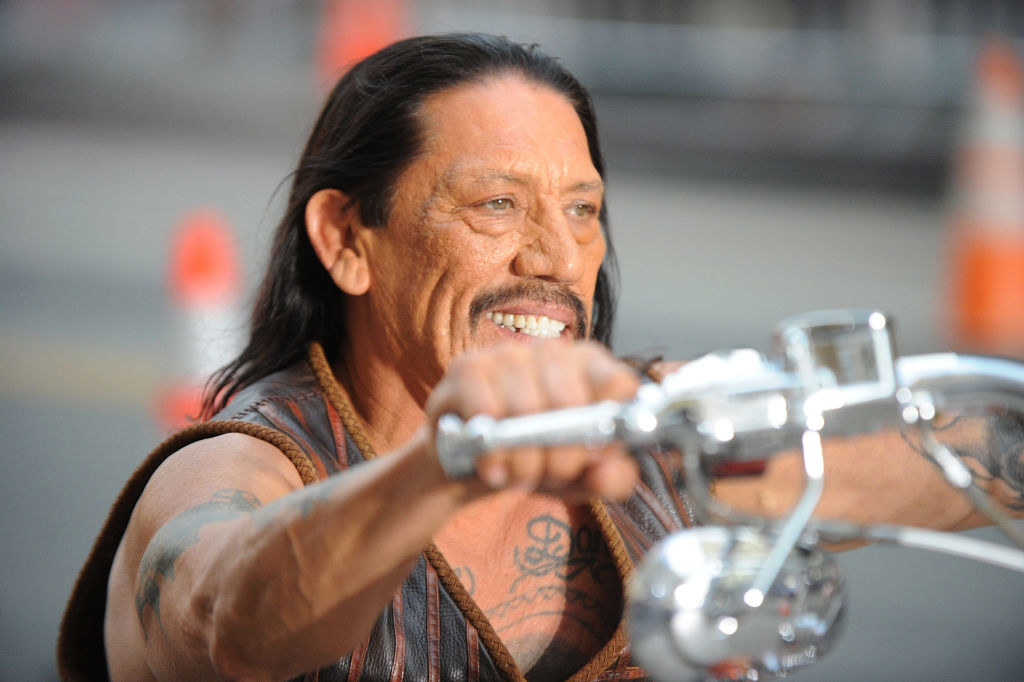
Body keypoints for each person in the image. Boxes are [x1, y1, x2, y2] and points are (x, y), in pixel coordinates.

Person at [58, 33, 1022, 682]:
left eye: (581, 208)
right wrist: (441, 466)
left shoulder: (662, 438)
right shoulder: (240, 468)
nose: (556, 260)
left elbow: (970, 457)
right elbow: (225, 621)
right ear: (348, 239)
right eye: (496, 205)